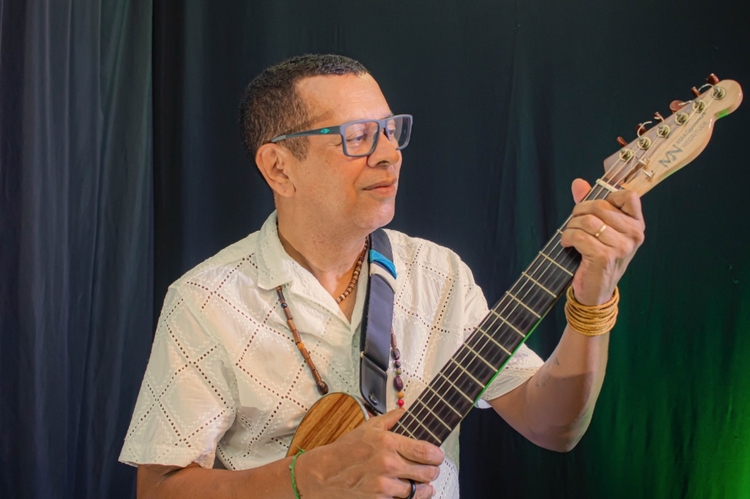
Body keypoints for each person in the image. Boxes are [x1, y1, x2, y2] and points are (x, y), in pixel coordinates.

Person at [120, 54, 645, 499]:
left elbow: (553, 426)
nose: (390, 155)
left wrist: (592, 302)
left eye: (391, 132)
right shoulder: (205, 300)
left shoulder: (440, 275)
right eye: (357, 137)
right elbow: (159, 489)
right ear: (279, 167)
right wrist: (310, 477)